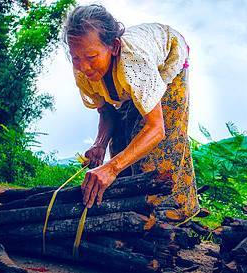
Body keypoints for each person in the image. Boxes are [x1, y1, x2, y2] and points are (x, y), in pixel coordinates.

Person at [63, 4, 199, 222]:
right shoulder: (82, 69)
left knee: (154, 152)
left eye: (91, 57)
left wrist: (111, 168)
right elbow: (107, 112)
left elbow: (156, 129)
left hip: (168, 61)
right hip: (131, 82)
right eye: (75, 57)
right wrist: (99, 144)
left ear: (114, 47)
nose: (83, 67)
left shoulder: (134, 62)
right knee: (121, 144)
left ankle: (174, 217)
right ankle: (131, 217)